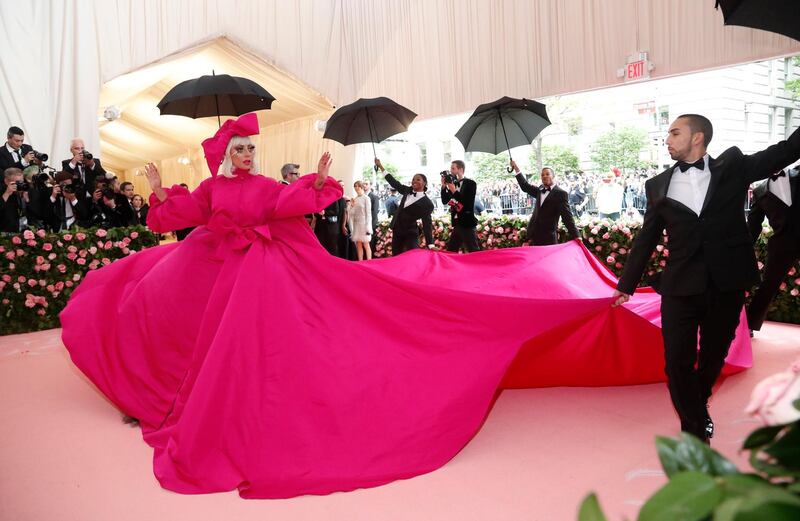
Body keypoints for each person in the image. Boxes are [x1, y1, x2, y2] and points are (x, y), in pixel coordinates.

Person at [61, 112, 751, 500]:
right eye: (235, 148)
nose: (244, 155)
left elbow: (288, 201)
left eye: (249, 147)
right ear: (221, 155)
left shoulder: (265, 185)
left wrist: (322, 188)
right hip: (206, 276)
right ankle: (165, 391)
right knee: (166, 324)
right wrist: (156, 187)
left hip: (261, 288)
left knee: (267, 356)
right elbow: (171, 217)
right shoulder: (210, 192)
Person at [613, 114, 800, 444]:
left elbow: (786, 150)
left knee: (714, 357)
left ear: (697, 137)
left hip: (726, 283)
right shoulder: (656, 185)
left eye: (674, 132)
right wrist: (625, 285)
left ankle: (696, 406)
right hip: (680, 286)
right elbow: (646, 238)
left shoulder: (734, 167)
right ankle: (695, 428)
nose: (667, 139)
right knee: (676, 363)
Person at [746, 167, 800, 332]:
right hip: (782, 245)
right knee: (768, 286)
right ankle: (749, 326)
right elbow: (752, 228)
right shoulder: (759, 191)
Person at [511, 162, 580, 246]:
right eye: (542, 175)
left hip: (549, 238)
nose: (544, 176)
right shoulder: (540, 189)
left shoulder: (561, 193)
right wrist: (516, 168)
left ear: (553, 176)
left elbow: (567, 217)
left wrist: (576, 235)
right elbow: (525, 186)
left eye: (547, 174)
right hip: (533, 236)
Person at [376, 159, 434, 255]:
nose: (414, 181)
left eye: (418, 179)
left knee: (412, 256)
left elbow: (427, 223)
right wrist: (381, 166)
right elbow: (394, 182)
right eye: (413, 179)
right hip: (397, 230)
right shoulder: (407, 190)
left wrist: (430, 244)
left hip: (411, 232)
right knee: (396, 256)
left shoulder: (427, 203)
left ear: (424, 183)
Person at [441, 159, 480, 252]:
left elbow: (466, 204)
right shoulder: (452, 184)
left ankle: (479, 265)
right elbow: (445, 201)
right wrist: (443, 186)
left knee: (473, 250)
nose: (451, 171)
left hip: (467, 223)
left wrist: (454, 191)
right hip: (457, 223)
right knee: (451, 251)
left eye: (453, 168)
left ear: (461, 169)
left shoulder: (471, 183)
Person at [348, 180, 372, 260]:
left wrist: (368, 226)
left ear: (361, 187)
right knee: (358, 243)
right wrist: (351, 205)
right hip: (356, 224)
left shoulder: (366, 198)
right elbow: (351, 214)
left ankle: (369, 261)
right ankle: (360, 262)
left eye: (357, 186)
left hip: (364, 223)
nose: (356, 188)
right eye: (355, 186)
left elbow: (368, 214)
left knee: (366, 243)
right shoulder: (355, 199)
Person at [0, 167, 29, 233]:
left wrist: (26, 200)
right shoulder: (2, 191)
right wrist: (7, 193)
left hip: (19, 231)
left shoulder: (21, 191)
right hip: (4, 234)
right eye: (17, 182)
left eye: (21, 181)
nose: (20, 184)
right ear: (6, 181)